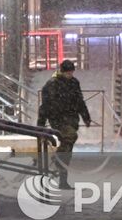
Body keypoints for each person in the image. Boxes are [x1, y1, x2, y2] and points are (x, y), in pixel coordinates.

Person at [37, 59, 92, 188]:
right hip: (58, 119)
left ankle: (63, 180)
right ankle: (57, 159)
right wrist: (41, 124)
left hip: (71, 118)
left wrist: (86, 117)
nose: (70, 75)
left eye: (71, 73)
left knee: (67, 150)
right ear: (62, 72)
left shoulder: (74, 83)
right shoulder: (52, 84)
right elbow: (45, 106)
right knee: (70, 136)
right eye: (68, 73)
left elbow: (79, 101)